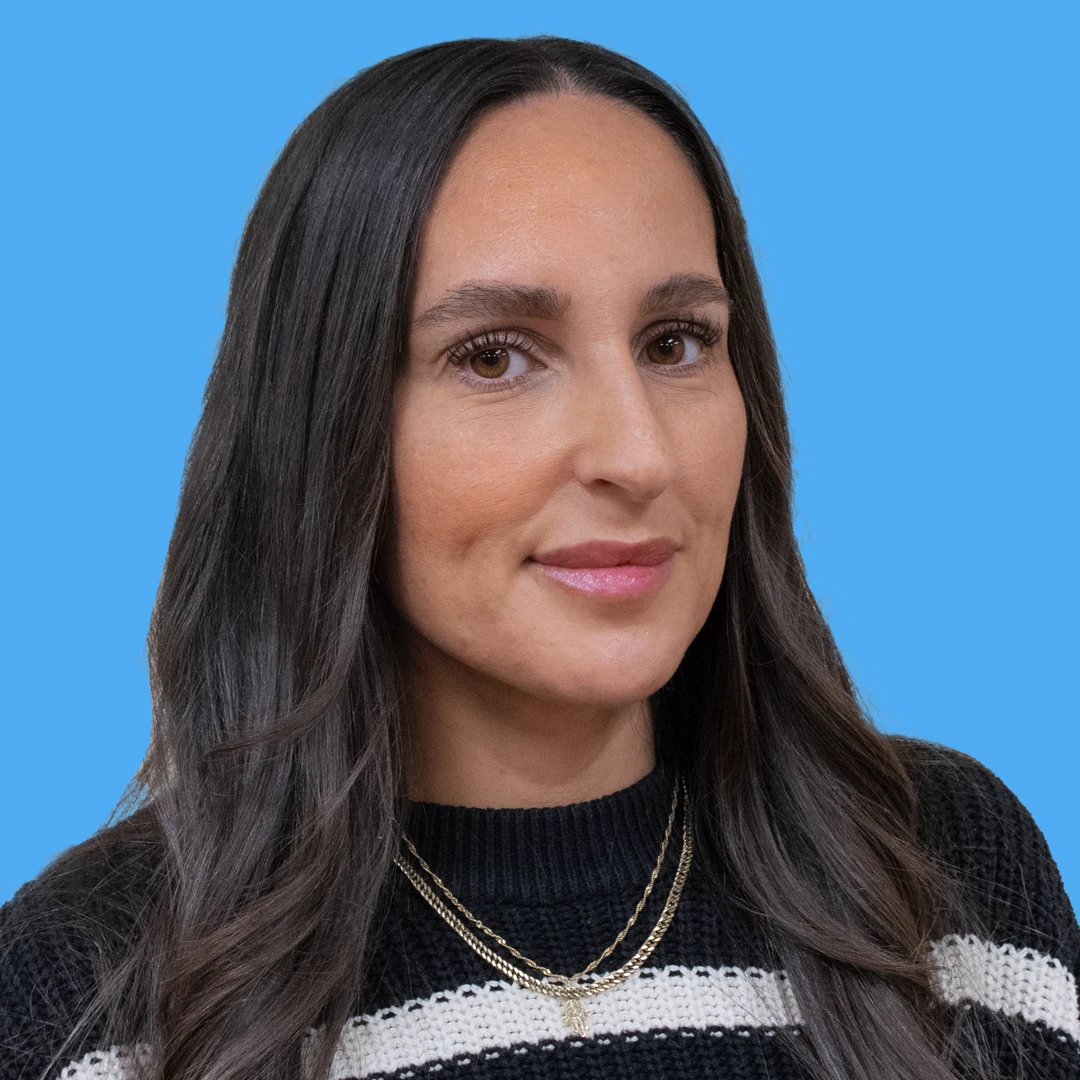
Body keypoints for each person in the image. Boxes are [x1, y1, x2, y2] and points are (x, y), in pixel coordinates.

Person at [0, 35, 1076, 1080]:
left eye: (677, 342)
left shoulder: (950, 878)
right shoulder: (88, 995)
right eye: (495, 357)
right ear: (320, 426)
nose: (638, 453)